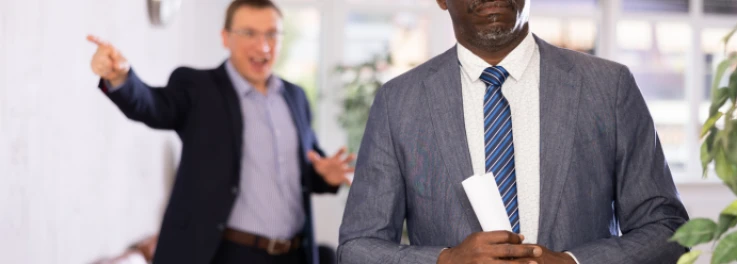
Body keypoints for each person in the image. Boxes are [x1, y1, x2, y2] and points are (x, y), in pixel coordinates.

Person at [337, 0, 689, 263]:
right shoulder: (398, 101)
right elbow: (357, 248)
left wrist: (573, 263)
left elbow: (668, 229)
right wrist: (446, 261)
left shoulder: (609, 87)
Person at [86, 0, 354, 263]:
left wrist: (326, 176)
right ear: (225, 38)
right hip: (227, 253)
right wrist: (120, 77)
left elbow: (306, 167)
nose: (263, 46)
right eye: (249, 33)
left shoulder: (296, 97)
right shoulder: (198, 87)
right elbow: (152, 106)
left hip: (293, 254)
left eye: (272, 34)